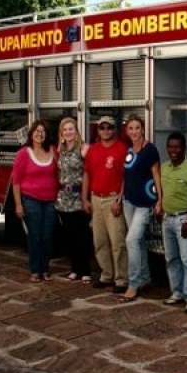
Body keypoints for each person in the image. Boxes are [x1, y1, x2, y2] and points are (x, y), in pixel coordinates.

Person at [82, 115, 129, 293]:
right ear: (98, 130)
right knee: (99, 240)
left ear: (115, 129)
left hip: (113, 199)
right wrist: (84, 198)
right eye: (102, 128)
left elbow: (126, 176)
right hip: (96, 198)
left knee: (117, 241)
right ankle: (106, 274)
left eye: (109, 127)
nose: (106, 131)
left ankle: (121, 279)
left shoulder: (122, 149)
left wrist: (119, 199)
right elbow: (87, 174)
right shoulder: (93, 150)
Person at [119, 115, 162, 303]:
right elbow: (126, 175)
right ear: (127, 131)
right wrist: (120, 195)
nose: (134, 131)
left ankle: (133, 284)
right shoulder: (129, 150)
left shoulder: (150, 150)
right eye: (131, 128)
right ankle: (145, 277)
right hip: (129, 201)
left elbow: (156, 174)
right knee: (139, 242)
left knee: (131, 240)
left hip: (145, 203)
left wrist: (160, 200)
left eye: (137, 128)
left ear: (142, 129)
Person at [159, 131, 187, 313]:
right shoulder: (164, 168)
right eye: (170, 147)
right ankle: (177, 292)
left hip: (184, 219)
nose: (173, 150)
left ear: (184, 148)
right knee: (171, 258)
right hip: (167, 219)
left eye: (177, 147)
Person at [12, 119, 58, 283]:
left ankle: (45, 268)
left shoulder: (53, 151)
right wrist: (18, 204)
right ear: (31, 134)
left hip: (50, 201)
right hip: (31, 199)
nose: (40, 134)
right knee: (35, 236)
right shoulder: (23, 153)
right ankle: (35, 270)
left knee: (47, 236)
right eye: (37, 131)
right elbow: (16, 181)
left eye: (43, 131)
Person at [55, 117, 92, 283]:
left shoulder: (84, 149)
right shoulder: (60, 150)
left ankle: (85, 270)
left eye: (71, 129)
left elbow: (89, 173)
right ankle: (74, 269)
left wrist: (86, 197)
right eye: (65, 130)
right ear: (61, 133)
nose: (68, 132)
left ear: (76, 131)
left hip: (79, 197)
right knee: (69, 235)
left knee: (82, 235)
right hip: (64, 198)